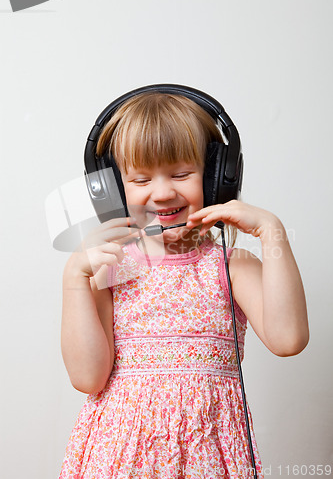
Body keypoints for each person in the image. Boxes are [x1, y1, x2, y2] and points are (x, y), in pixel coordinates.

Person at [58, 92, 309, 479]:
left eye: (180, 174)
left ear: (217, 178)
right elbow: (87, 378)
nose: (162, 192)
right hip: (120, 459)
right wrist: (74, 279)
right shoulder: (110, 270)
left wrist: (272, 232)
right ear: (110, 190)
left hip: (207, 455)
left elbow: (288, 339)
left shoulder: (233, 266)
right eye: (140, 179)